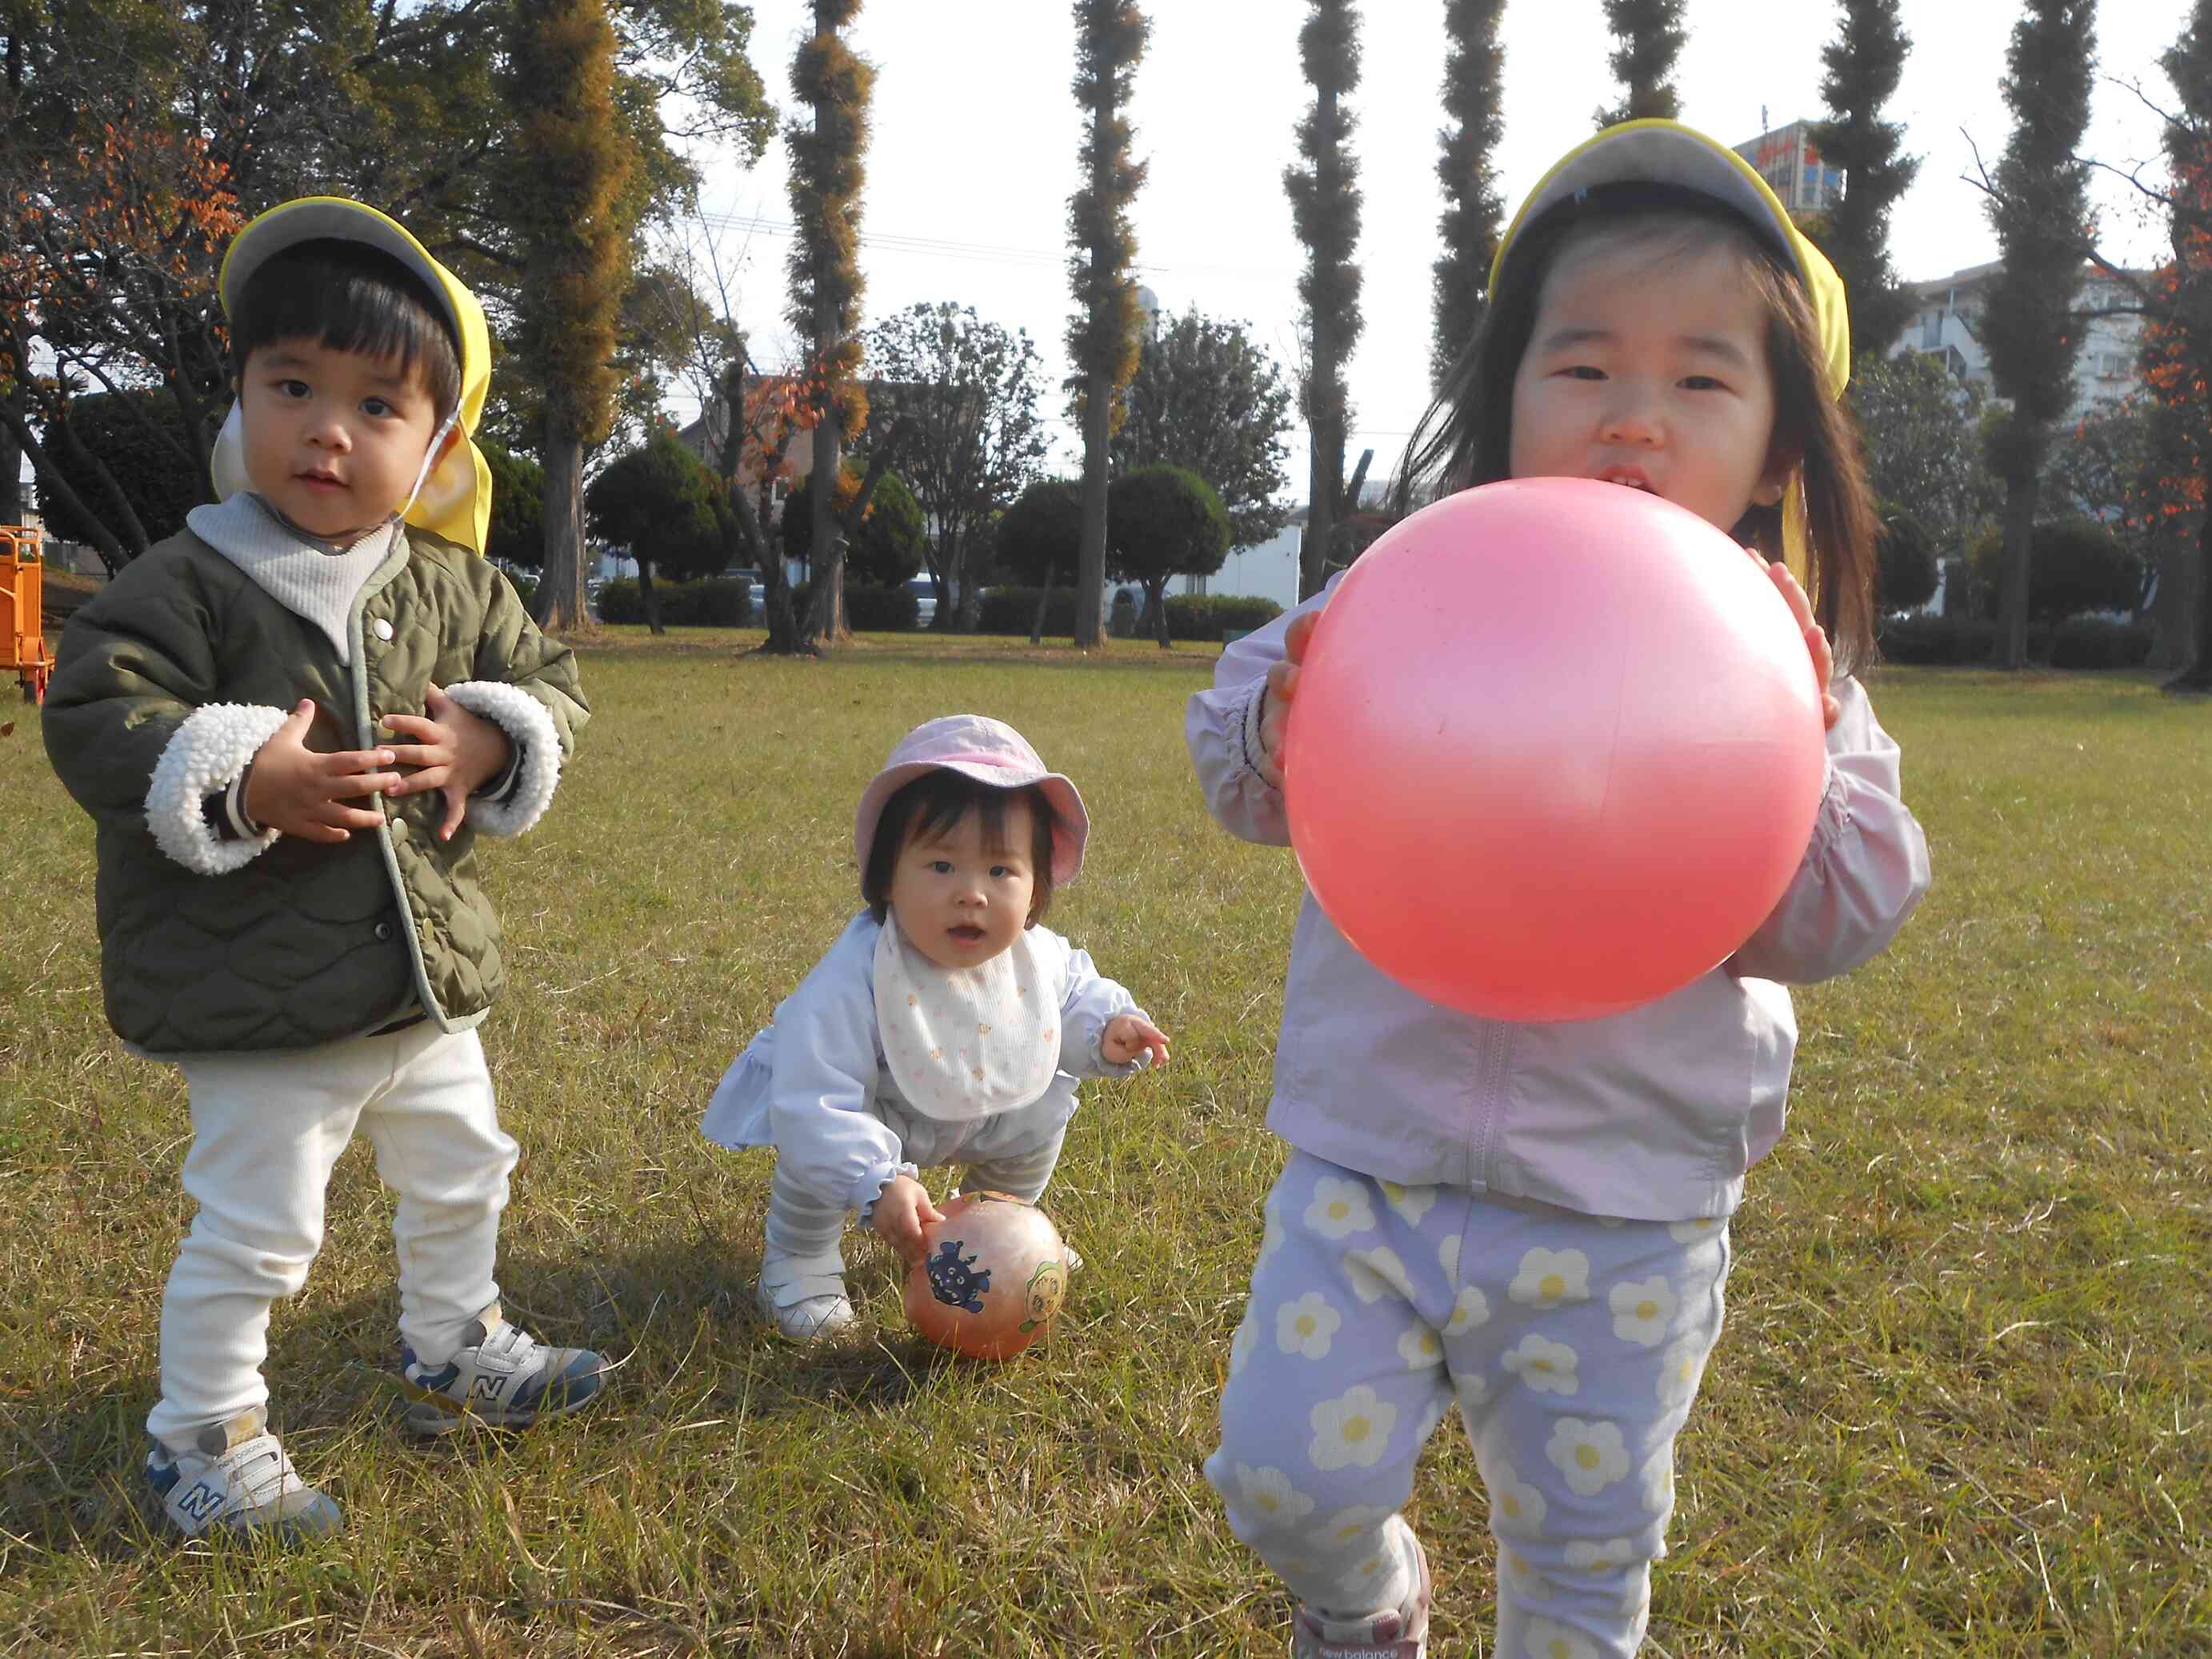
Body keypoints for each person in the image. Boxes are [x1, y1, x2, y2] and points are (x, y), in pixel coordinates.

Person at [1186, 121, 1933, 1659]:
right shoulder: (1413, 590)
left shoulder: (1783, 670)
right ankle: (1366, 1597)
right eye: (1583, 366)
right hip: (1372, 1161)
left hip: (1626, 1205)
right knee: (1281, 1472)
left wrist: (1786, 734)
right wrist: (1292, 702)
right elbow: (1244, 779)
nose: (1635, 420)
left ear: (1780, 447)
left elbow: (1844, 908)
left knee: (1583, 1564)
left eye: (1702, 379)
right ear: (1510, 394)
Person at [43, 198, 606, 1541]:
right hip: (264, 985)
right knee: (262, 1223)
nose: (327, 430)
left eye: (375, 404)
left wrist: (492, 732)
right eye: (292, 385)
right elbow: (91, 709)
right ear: (243, 394)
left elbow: (551, 683)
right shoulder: (188, 576)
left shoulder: (455, 582)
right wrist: (240, 770)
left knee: (467, 1163)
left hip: (423, 975)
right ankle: (200, 1431)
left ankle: (452, 1340)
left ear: (439, 443)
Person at [703, 714, 1170, 1343]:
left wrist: (1107, 1028)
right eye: (942, 866)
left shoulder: (1037, 954)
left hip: (988, 1110)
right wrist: (876, 1181)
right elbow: (815, 1099)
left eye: (1001, 872)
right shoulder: (856, 976)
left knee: (1038, 1118)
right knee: (815, 1156)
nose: (972, 894)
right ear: (887, 878)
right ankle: (799, 1258)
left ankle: (999, 1229)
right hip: (883, 1112)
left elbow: (1077, 991)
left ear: (1035, 890)